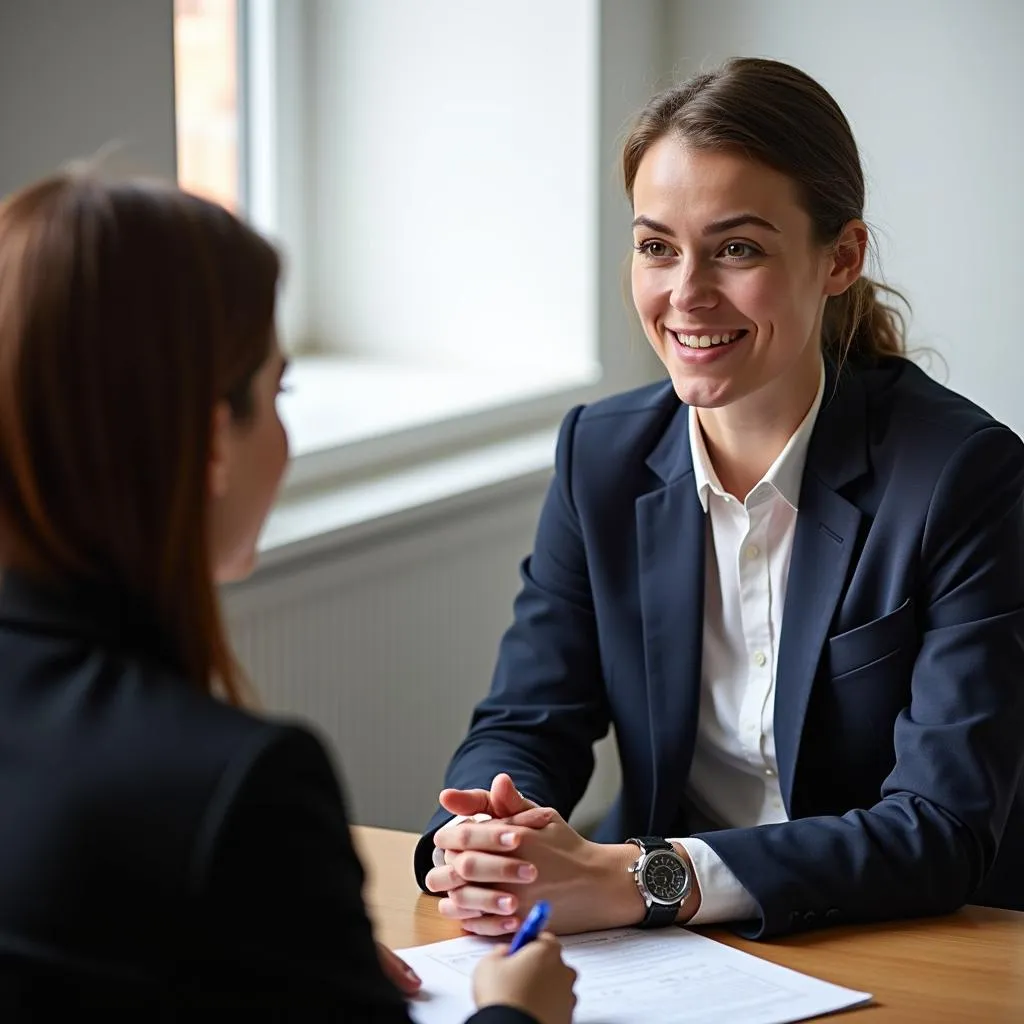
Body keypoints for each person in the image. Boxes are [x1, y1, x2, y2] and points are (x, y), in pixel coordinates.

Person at [416, 57, 1024, 941]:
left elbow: (941, 828)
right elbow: (528, 719)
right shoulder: (601, 454)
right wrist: (483, 837)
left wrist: (640, 876)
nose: (686, 294)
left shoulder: (965, 477)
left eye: (736, 248)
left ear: (840, 258)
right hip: (669, 946)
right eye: (657, 246)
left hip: (902, 936)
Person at [0, 172, 577, 1022]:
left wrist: (302, 955)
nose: (286, 438)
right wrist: (516, 1010)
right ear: (212, 443)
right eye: (277, 394)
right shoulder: (238, 788)